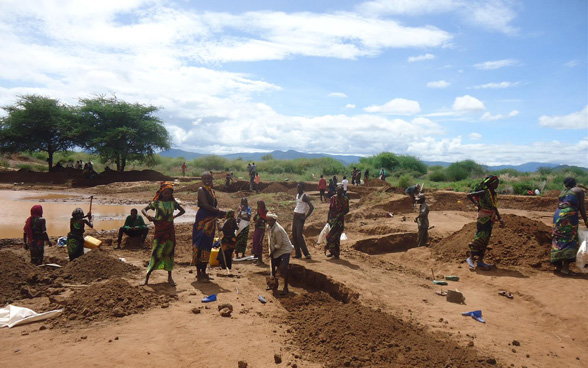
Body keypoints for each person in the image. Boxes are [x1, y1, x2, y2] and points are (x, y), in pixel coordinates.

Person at [142, 182, 185, 286]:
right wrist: (148, 217)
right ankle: (147, 276)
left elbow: (182, 211)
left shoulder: (173, 203)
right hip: (159, 229)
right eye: (165, 193)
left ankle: (169, 277)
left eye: (169, 194)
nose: (167, 195)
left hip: (170, 229)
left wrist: (174, 217)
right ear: (161, 193)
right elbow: (143, 209)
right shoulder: (156, 203)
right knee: (156, 251)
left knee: (169, 252)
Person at [466, 176, 505, 270]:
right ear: (490, 184)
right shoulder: (484, 192)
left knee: (486, 239)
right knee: (480, 237)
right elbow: (469, 195)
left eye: (498, 183)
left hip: (490, 218)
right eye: (496, 183)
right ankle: (471, 258)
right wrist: (477, 204)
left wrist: (500, 218)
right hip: (483, 217)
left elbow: (494, 207)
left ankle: (480, 261)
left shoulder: (494, 194)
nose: (497, 185)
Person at [192, 171, 226, 282]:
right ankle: (199, 273)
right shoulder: (201, 190)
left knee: (207, 245)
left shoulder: (212, 191)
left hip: (211, 221)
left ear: (212, 179)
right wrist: (219, 211)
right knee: (200, 244)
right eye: (205, 178)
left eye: (209, 179)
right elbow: (205, 205)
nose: (207, 181)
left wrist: (218, 214)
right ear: (202, 179)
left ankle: (204, 271)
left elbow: (213, 206)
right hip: (202, 220)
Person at [551, 177, 588, 275]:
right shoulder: (578, 190)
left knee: (558, 239)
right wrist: (586, 221)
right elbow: (581, 208)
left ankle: (558, 265)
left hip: (557, 216)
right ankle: (565, 269)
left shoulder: (563, 192)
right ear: (574, 182)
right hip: (569, 217)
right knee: (569, 240)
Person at [266, 212, 293, 295]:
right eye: (268, 221)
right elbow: (270, 239)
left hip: (285, 249)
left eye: (271, 221)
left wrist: (272, 253)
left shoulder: (278, 229)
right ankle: (274, 284)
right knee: (273, 264)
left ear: (275, 220)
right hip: (276, 249)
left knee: (285, 267)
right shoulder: (269, 227)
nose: (269, 222)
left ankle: (285, 287)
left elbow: (279, 244)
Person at [324, 185, 350, 259]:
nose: (339, 192)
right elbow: (330, 209)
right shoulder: (333, 198)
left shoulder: (345, 199)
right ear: (336, 190)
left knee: (337, 237)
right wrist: (328, 219)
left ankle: (337, 253)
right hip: (332, 219)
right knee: (330, 236)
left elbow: (347, 210)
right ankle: (332, 251)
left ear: (342, 191)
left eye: (341, 191)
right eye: (338, 190)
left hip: (339, 221)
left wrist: (341, 214)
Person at [292, 182, 314, 259]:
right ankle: (298, 253)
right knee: (294, 235)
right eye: (297, 187)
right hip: (295, 217)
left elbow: (311, 207)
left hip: (301, 218)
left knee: (299, 236)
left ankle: (306, 254)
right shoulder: (297, 195)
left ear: (302, 188)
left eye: (299, 187)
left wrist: (305, 217)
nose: (298, 189)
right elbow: (298, 205)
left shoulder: (305, 196)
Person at [252, 200, 268, 265]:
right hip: (257, 228)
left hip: (261, 229)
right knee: (255, 241)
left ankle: (260, 259)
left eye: (260, 205)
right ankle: (256, 256)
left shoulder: (265, 212)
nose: (259, 207)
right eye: (258, 205)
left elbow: (266, 219)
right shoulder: (258, 212)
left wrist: (261, 217)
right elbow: (254, 219)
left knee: (259, 243)